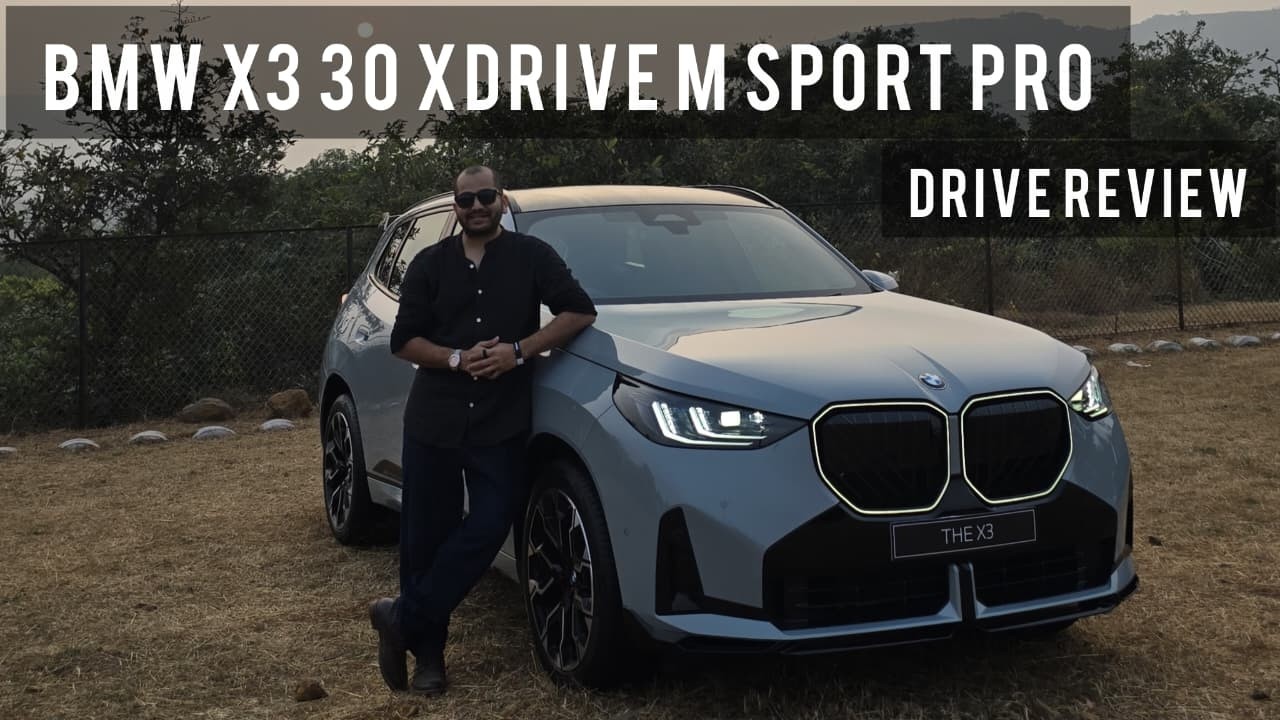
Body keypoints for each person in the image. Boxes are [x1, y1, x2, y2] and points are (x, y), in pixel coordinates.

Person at [369, 166, 597, 695]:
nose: (476, 206)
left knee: (493, 523)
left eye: (485, 196)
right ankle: (429, 659)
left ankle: (400, 617)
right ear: (456, 206)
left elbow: (578, 311)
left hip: (500, 421)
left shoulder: (532, 256)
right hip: (434, 421)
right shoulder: (429, 264)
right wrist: (455, 357)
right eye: (466, 199)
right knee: (424, 539)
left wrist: (519, 351)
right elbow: (404, 341)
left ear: (502, 200)